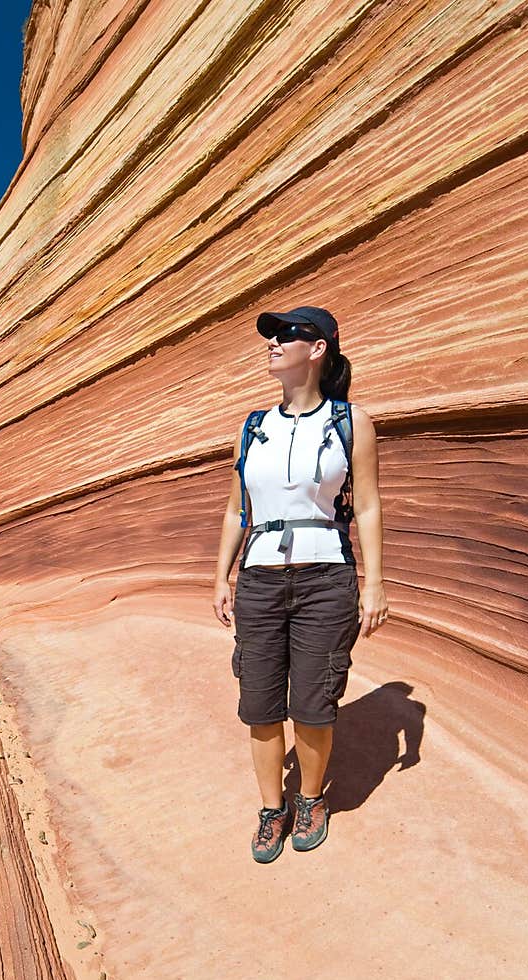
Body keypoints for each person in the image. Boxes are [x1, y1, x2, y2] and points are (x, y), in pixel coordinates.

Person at [213, 305, 388, 861]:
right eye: (273, 337)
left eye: (287, 336)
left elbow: (367, 505)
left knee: (314, 702)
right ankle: (273, 808)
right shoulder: (252, 426)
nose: (274, 344)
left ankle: (310, 799)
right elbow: (236, 508)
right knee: (261, 703)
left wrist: (375, 583)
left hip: (325, 577)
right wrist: (220, 575)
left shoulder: (351, 421)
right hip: (260, 579)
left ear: (318, 349)